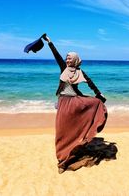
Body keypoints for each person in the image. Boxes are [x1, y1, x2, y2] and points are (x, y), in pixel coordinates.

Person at [42, 34, 108, 173]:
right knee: (61, 132)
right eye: (66, 58)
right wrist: (50, 42)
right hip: (64, 102)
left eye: (69, 58)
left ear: (76, 60)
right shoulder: (63, 68)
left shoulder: (80, 72)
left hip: (74, 102)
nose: (67, 60)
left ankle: (69, 154)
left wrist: (98, 95)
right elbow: (56, 55)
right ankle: (61, 160)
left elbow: (90, 83)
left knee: (76, 126)